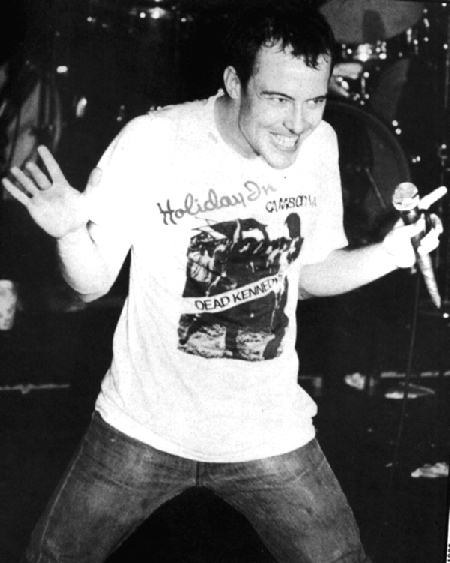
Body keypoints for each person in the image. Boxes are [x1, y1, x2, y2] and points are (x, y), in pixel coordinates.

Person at [3, 2, 443, 561]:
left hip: (268, 431)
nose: (298, 123)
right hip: (141, 427)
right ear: (235, 83)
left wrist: (389, 254)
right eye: (278, 99)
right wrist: (70, 233)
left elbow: (308, 273)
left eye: (314, 100)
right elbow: (90, 283)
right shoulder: (152, 140)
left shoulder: (321, 143)